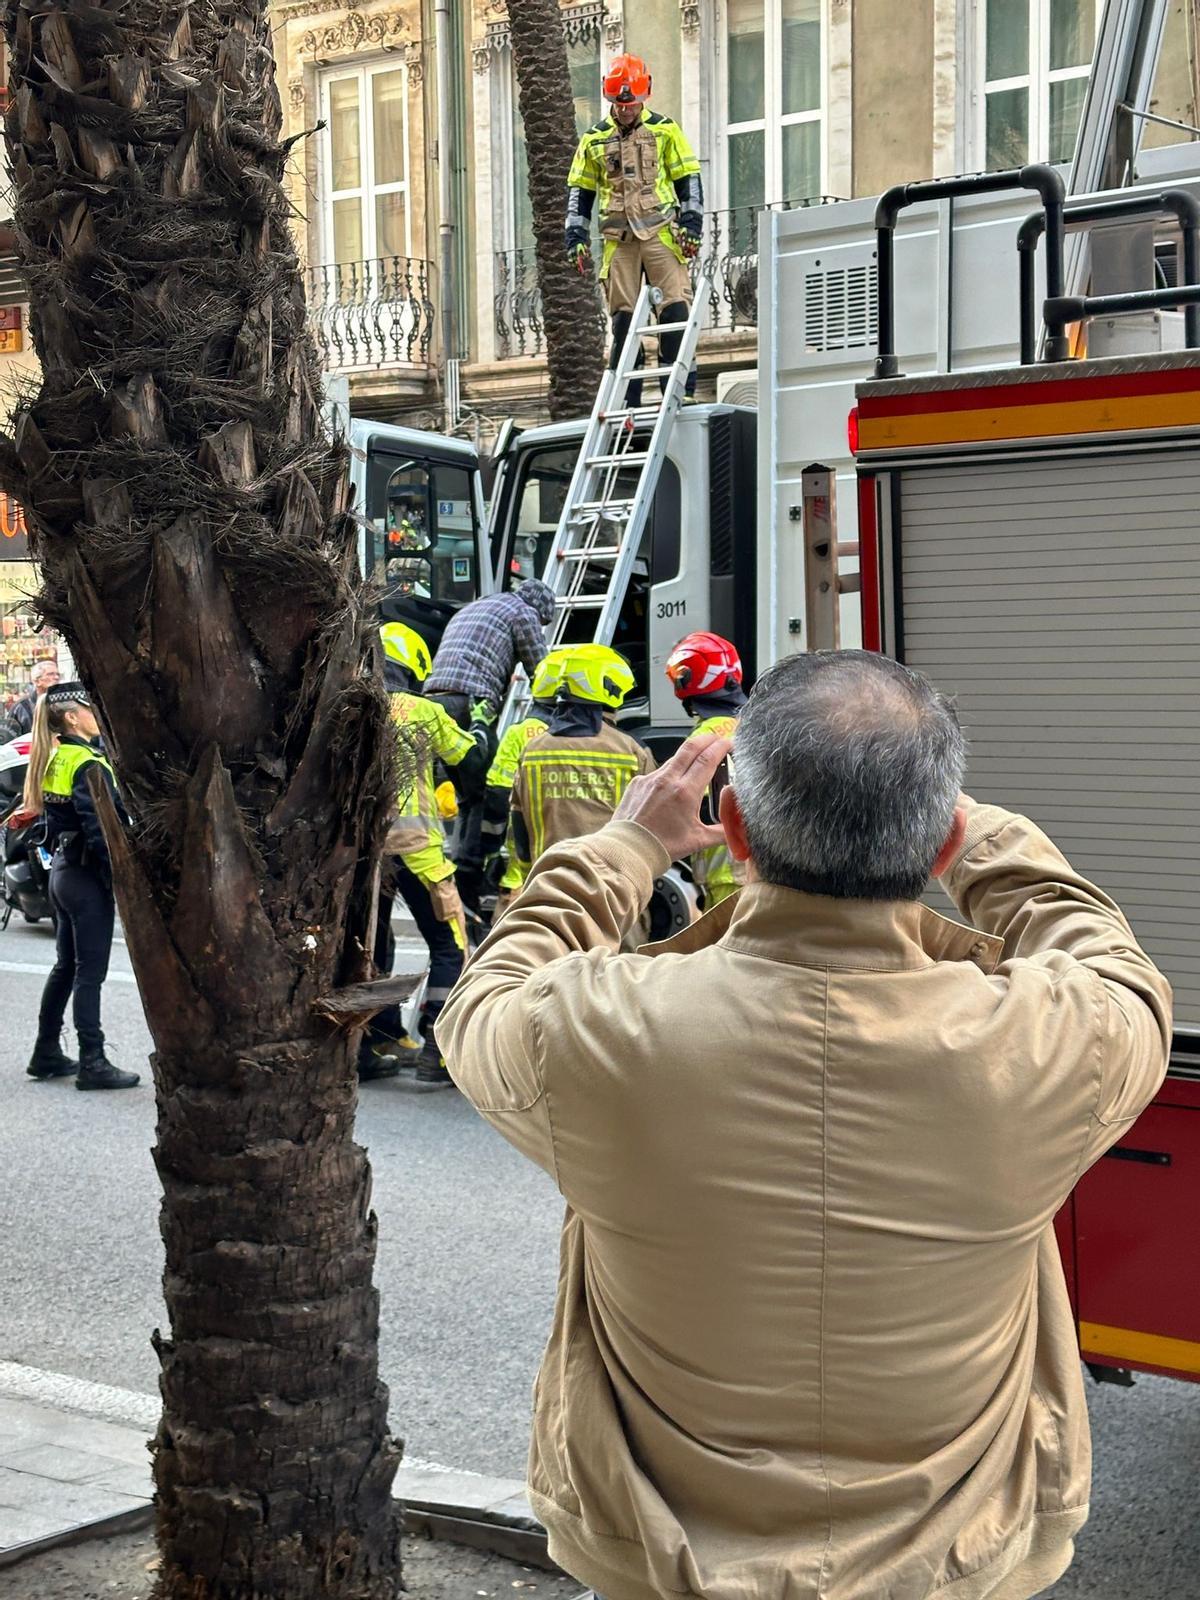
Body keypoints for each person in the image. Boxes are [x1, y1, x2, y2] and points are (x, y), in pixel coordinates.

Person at [438, 649, 1171, 1600]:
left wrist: (626, 845)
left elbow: (486, 992)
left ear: (734, 825)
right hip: (957, 1562)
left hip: (659, 1559)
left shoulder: (588, 1031)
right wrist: (972, 834)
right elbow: (1111, 961)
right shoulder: (1056, 1040)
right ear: (944, 843)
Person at [366, 622, 487, 1088]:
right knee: (450, 945)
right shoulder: (422, 710)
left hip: (365, 858)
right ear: (415, 666)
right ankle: (438, 1049)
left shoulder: (352, 707)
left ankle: (375, 1041)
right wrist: (479, 726)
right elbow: (470, 763)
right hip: (419, 853)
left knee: (373, 946)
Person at [566, 55, 703, 403]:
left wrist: (692, 224)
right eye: (619, 103)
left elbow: (688, 177)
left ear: (645, 95)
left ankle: (679, 394)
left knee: (675, 312)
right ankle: (628, 401)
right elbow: (580, 191)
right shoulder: (594, 140)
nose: (626, 109)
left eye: (631, 103)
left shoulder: (665, 130)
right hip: (619, 241)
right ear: (609, 98)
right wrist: (575, 237)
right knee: (624, 323)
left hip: (660, 234)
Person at [24, 683, 139, 1090]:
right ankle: (93, 1061)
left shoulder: (57, 757)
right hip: (86, 878)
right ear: (72, 717)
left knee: (65, 967)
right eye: (90, 708)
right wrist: (120, 879)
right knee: (90, 974)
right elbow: (101, 831)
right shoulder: (88, 763)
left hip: (63, 874)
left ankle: (46, 1051)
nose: (97, 714)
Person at [508, 644, 654, 880]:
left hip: (546, 882)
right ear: (609, 689)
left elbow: (518, 822)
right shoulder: (632, 750)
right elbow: (651, 826)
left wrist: (528, 876)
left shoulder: (532, 749)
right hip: (612, 888)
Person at [479, 646, 573, 910]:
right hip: (569, 864)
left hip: (520, 869)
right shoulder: (581, 738)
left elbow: (497, 793)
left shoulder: (519, 733)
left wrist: (491, 850)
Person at [665, 629, 747, 909]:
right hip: (763, 867)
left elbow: (690, 807)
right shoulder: (759, 722)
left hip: (725, 873)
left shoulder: (704, 737)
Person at [425, 580, 557, 729]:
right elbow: (540, 670)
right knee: (483, 742)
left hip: (432, 697)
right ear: (540, 611)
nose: (539, 626)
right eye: (542, 622)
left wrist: (504, 682)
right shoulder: (524, 611)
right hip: (471, 699)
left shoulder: (475, 606)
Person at [7, 659, 61, 738]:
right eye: (50, 674)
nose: (56, 677)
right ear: (37, 681)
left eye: (58, 674)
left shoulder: (63, 703)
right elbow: (9, 735)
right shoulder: (21, 707)